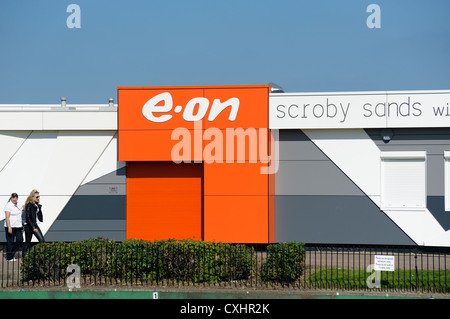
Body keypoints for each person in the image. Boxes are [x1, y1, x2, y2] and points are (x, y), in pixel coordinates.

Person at [3, 193, 24, 261]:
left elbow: (20, 213)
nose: (14, 199)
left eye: (16, 198)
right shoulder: (8, 205)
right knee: (10, 241)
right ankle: (9, 257)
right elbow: (7, 217)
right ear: (11, 198)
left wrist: (23, 209)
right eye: (13, 198)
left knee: (20, 240)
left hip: (18, 226)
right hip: (11, 226)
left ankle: (11, 253)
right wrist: (9, 227)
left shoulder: (18, 204)